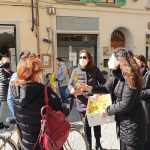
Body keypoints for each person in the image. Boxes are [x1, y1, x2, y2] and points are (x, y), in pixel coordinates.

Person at [78, 48, 147, 150]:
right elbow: (106, 87)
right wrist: (89, 88)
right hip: (123, 123)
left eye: (112, 57)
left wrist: (107, 110)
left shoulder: (131, 76)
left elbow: (125, 104)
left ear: (120, 60)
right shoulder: (117, 74)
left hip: (134, 124)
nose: (110, 60)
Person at [10, 56, 78, 150]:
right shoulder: (44, 91)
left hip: (27, 145)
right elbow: (62, 113)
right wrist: (72, 96)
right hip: (46, 145)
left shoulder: (14, 90)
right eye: (40, 71)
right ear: (35, 73)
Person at [68, 49, 106, 150]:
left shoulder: (95, 69)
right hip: (82, 103)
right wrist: (74, 91)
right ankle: (89, 146)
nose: (82, 59)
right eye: (80, 57)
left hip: (94, 102)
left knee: (97, 124)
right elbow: (70, 84)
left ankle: (98, 144)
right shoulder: (75, 71)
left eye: (84, 57)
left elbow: (103, 83)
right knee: (86, 126)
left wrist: (98, 93)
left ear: (88, 58)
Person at [7, 51, 37, 116]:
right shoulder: (16, 75)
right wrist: (17, 117)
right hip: (23, 117)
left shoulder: (35, 74)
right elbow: (10, 99)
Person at [134, 54, 150, 150]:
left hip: (146, 105)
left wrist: (140, 93)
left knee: (147, 129)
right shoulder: (135, 73)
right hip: (137, 105)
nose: (134, 63)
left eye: (136, 61)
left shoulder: (148, 73)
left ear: (142, 61)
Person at [0, 55, 13, 129]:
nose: (8, 63)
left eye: (9, 62)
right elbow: (3, 80)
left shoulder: (8, 69)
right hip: (3, 92)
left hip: (8, 91)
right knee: (3, 109)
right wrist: (12, 78)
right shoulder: (1, 69)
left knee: (4, 109)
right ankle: (0, 123)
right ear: (2, 61)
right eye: (7, 62)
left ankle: (1, 123)